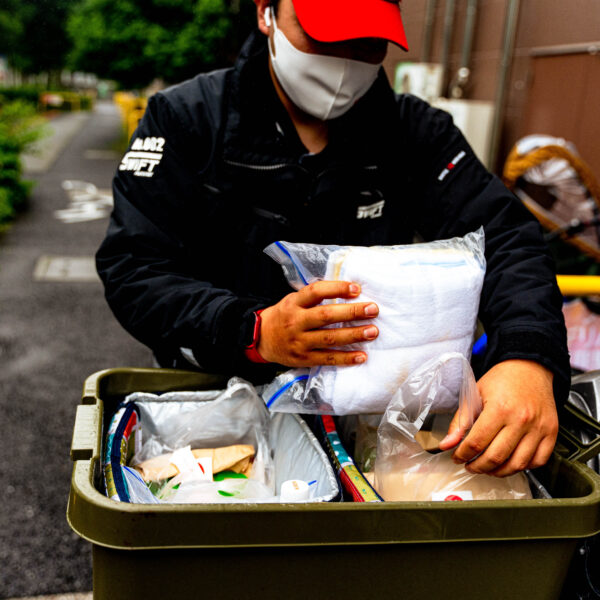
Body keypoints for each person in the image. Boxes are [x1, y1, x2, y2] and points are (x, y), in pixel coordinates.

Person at [97, 0, 570, 477]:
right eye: (323, 34)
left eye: (366, 43)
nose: (343, 62)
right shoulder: (187, 119)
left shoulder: (416, 133)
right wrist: (253, 330)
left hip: (368, 414)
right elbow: (134, 268)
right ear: (266, 13)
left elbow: (506, 238)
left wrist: (528, 356)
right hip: (213, 399)